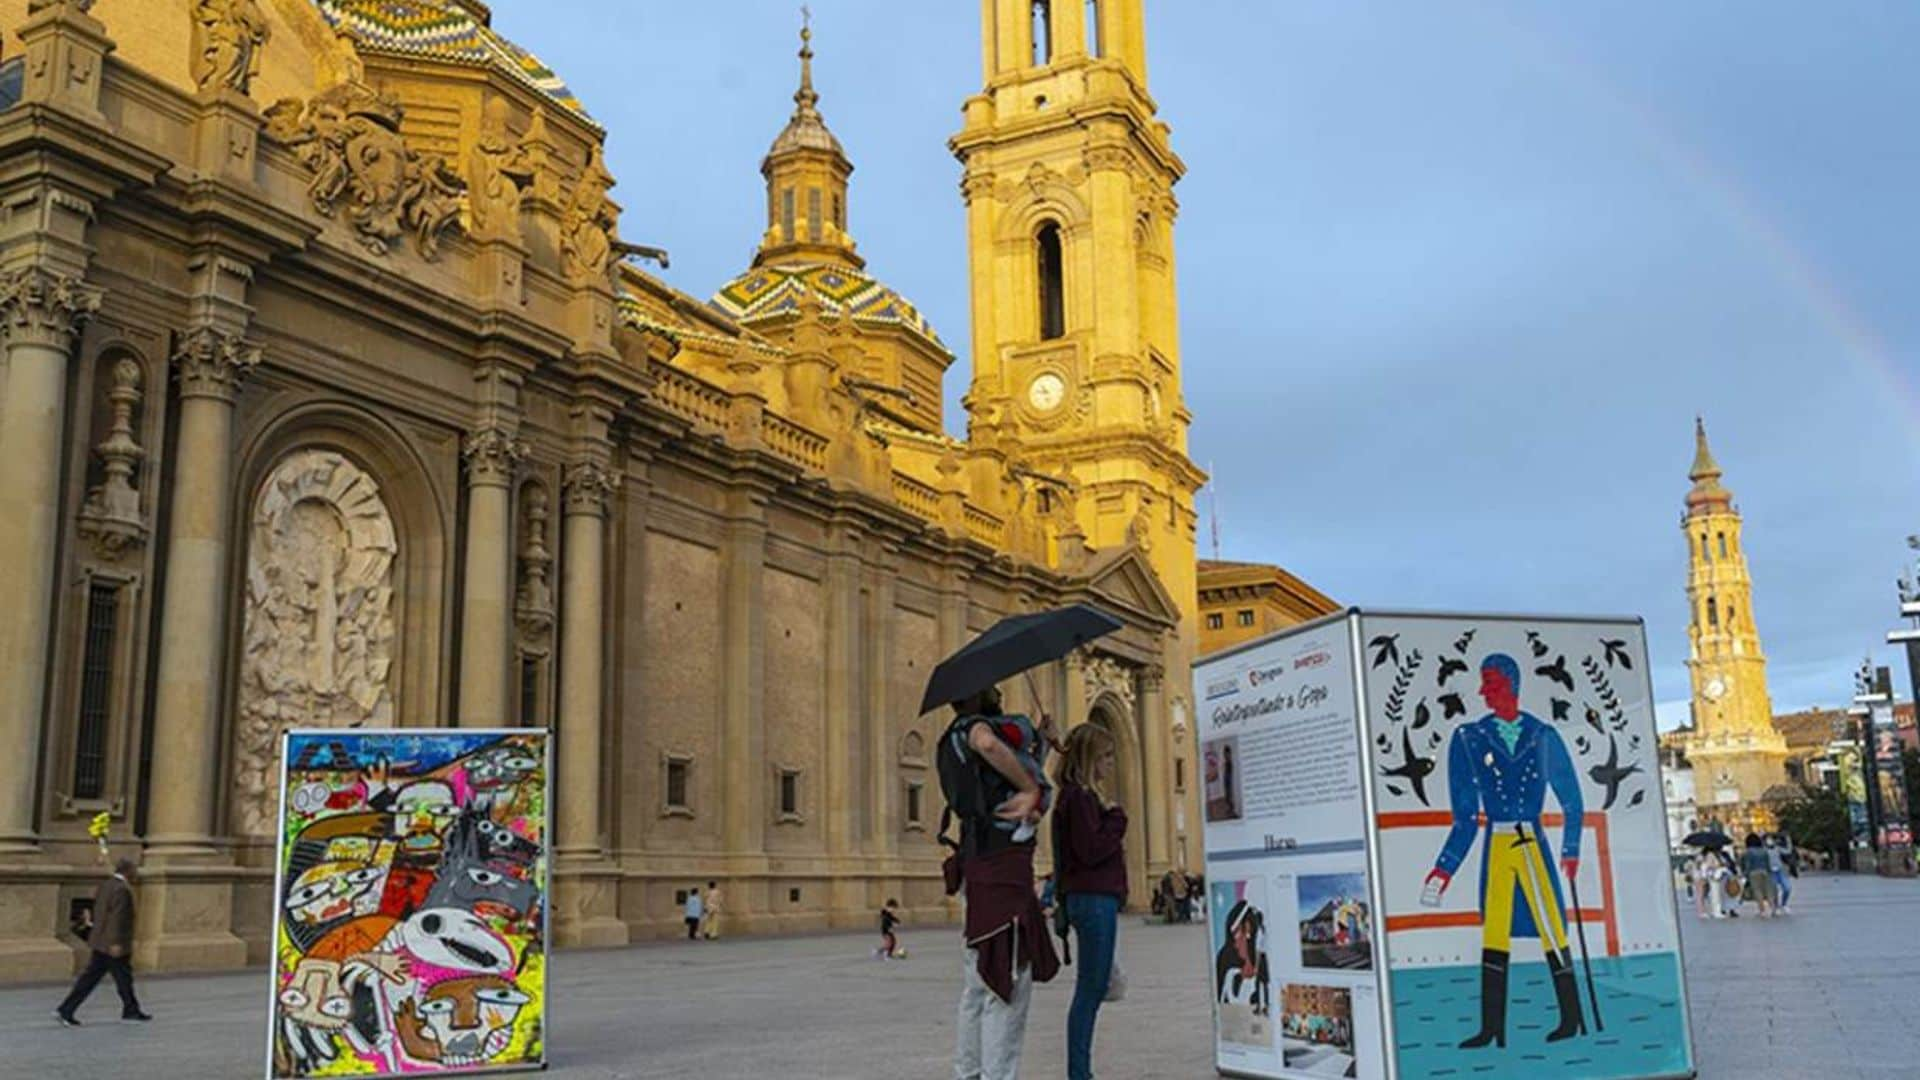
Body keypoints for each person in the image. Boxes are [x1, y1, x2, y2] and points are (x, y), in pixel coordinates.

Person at [1422, 654, 1585, 1048]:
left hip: (1532, 841)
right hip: (1496, 844)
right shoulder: (1468, 738)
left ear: (1511, 684)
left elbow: (1572, 798)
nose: (1482, 692)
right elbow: (1464, 818)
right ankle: (1492, 1027)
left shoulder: (1543, 735)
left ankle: (1572, 1016)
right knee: (1494, 932)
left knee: (1551, 928)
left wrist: (1571, 847)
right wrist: (1443, 870)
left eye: (1490, 683)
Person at [943, 686, 1058, 1080]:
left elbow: (998, 770)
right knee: (1007, 984)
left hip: (979, 866)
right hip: (1001, 873)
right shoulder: (973, 728)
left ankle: (968, 1073)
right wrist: (1030, 787)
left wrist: (1040, 743)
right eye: (990, 689)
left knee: (977, 986)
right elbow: (988, 744)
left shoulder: (950, 743)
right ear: (973, 697)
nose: (998, 692)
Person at [1054, 723, 1128, 1080]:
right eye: (1107, 756)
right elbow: (1091, 850)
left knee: (1092, 988)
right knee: (1090, 991)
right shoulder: (1080, 799)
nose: (1111, 764)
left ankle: (1080, 1072)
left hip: (1090, 899)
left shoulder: (1073, 798)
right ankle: (1079, 1074)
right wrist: (1116, 819)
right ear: (1090, 758)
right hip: (1095, 900)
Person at [55, 856, 150, 1026]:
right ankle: (66, 1009)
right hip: (112, 944)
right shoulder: (121, 890)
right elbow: (117, 918)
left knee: (117, 978)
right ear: (127, 871)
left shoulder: (106, 885)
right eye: (134, 869)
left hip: (101, 941)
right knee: (110, 978)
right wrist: (116, 942)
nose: (136, 873)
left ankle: (130, 1009)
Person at [1741, 834, 1776, 917]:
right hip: (1765, 872)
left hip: (1753, 873)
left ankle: (1762, 910)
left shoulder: (1748, 851)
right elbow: (1768, 863)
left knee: (1758, 891)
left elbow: (1747, 864)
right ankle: (1772, 908)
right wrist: (1769, 872)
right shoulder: (1764, 851)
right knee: (1769, 891)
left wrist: (1745, 874)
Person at [1767, 835, 1794, 913]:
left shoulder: (1777, 848)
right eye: (1768, 840)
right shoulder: (1764, 850)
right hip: (1771, 872)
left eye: (1771, 840)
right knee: (1774, 890)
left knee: (1787, 888)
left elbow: (1788, 851)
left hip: (1780, 871)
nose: (1770, 842)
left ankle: (1784, 904)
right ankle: (1776, 907)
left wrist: (1788, 841)